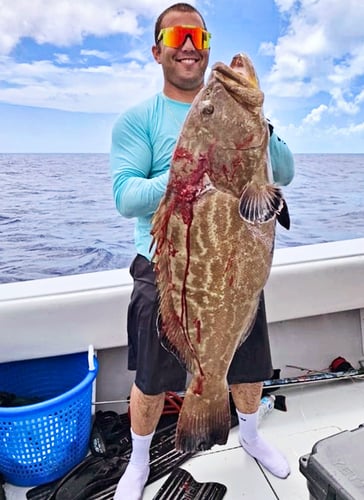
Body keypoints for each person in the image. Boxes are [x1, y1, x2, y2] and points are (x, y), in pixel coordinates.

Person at [110, 3, 294, 499]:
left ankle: (252, 437)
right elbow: (125, 195)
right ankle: (140, 459)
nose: (189, 46)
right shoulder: (138, 121)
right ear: (158, 51)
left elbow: (285, 173)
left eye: (198, 36)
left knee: (251, 366)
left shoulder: (247, 118)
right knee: (150, 379)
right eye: (177, 38)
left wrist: (259, 127)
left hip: (238, 271)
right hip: (165, 272)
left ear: (206, 42)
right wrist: (192, 177)